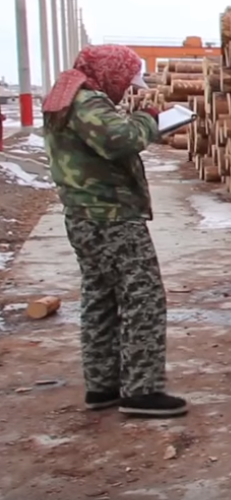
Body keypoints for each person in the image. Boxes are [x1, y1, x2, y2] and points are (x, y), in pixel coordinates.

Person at [43, 44, 188, 418]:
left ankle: (102, 384)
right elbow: (118, 140)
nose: (127, 88)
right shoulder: (87, 101)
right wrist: (148, 120)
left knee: (101, 296)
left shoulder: (68, 96)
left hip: (87, 215)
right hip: (109, 216)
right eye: (126, 80)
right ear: (109, 72)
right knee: (143, 297)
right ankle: (142, 391)